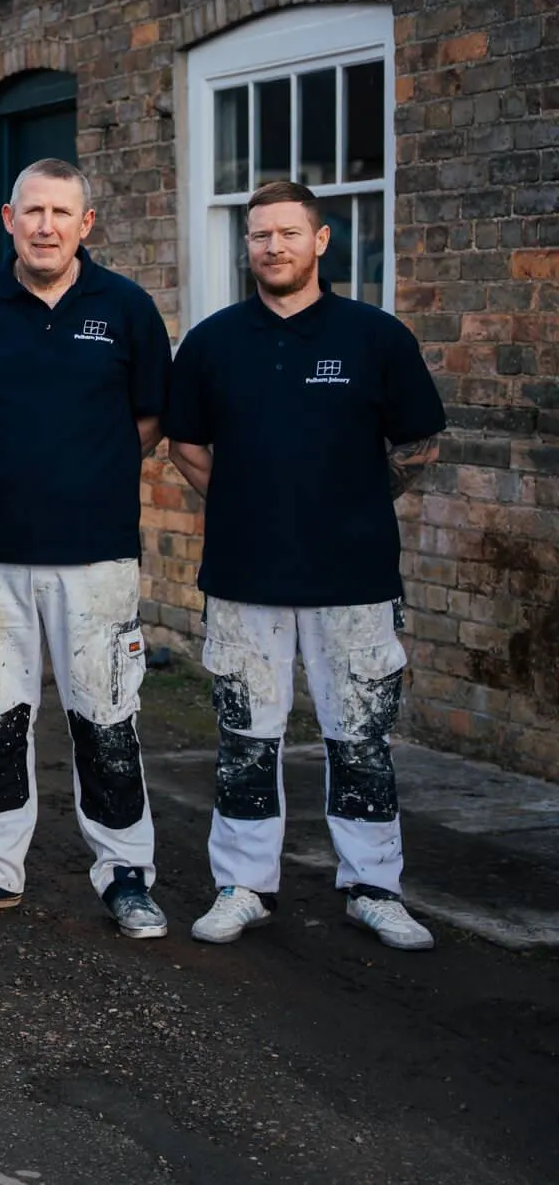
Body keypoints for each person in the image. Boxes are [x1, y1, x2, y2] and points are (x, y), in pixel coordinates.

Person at [167, 180, 445, 952]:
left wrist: (352, 500)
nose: (273, 247)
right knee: (245, 737)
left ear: (320, 240)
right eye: (259, 235)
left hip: (352, 578)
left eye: (289, 233)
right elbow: (187, 445)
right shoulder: (214, 342)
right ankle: (244, 884)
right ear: (247, 245)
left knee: (360, 738)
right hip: (245, 576)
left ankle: (373, 886)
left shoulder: (375, 338)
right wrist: (249, 502)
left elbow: (419, 445)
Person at [0, 157, 172, 939]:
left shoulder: (126, 309)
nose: (46, 226)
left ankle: (126, 871)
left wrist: (79, 477)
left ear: (86, 224)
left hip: (96, 556)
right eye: (32, 212)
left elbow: (147, 422)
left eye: (62, 213)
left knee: (106, 717)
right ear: (8, 218)